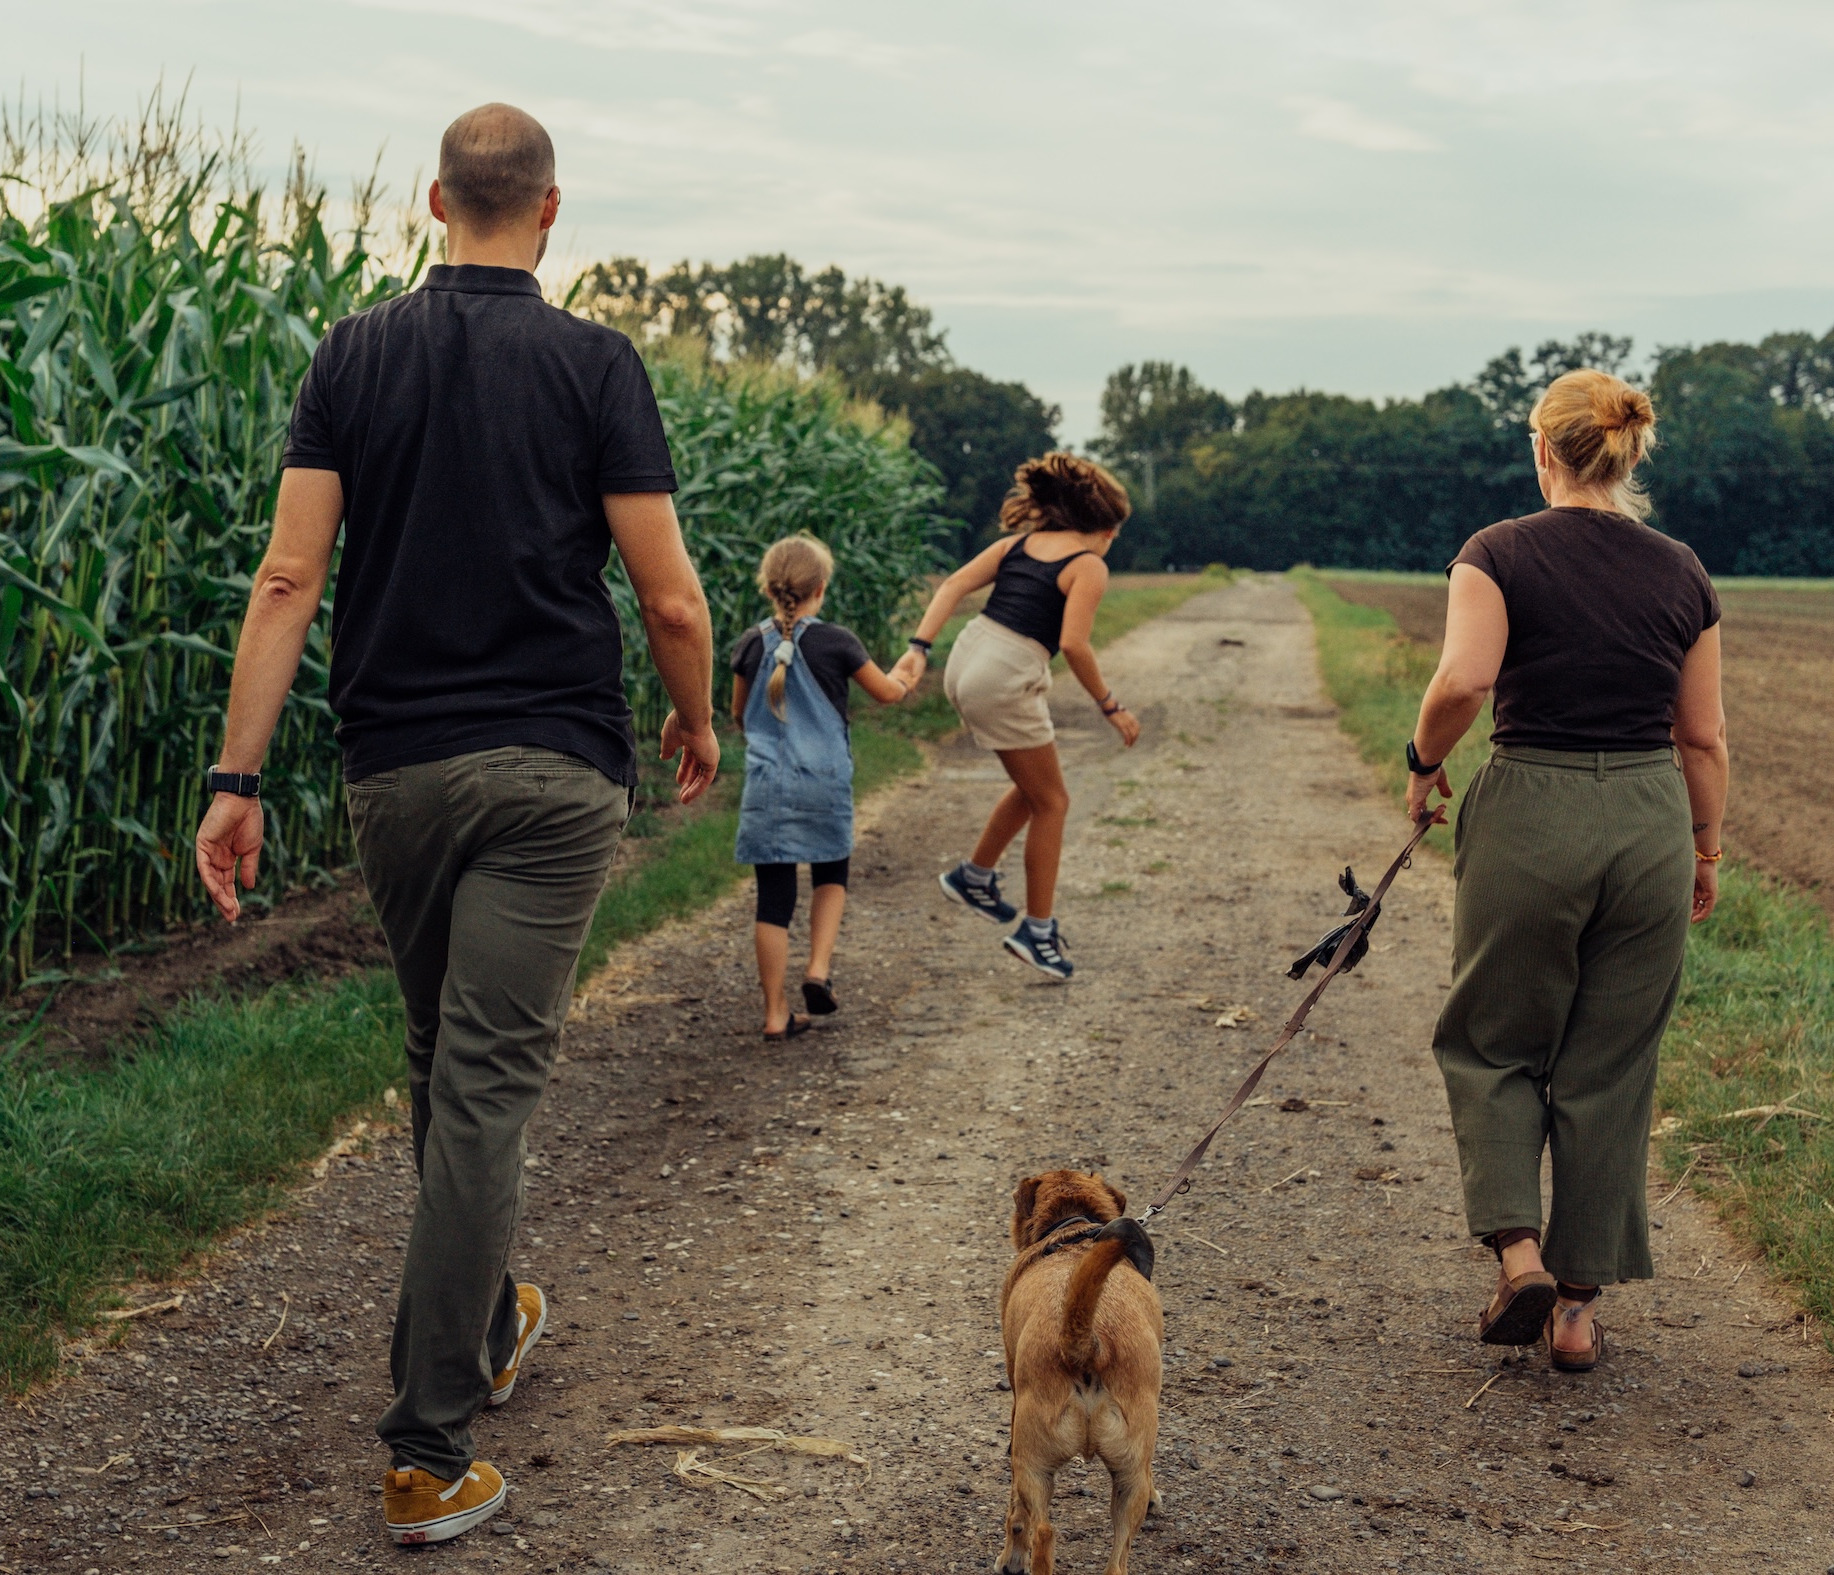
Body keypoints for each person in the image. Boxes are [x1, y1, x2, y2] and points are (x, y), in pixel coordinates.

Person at [190, 103, 719, 1544]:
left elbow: (288, 579)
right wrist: (696, 715)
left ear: (436, 201)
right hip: (550, 771)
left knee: (443, 1061)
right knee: (479, 1084)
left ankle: (485, 1318)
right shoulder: (594, 363)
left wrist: (235, 782)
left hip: (396, 772)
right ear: (549, 213)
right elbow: (669, 592)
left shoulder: (353, 353)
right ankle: (426, 1443)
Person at [1405, 368, 1728, 1374]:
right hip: (1646, 816)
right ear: (1628, 456)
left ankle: (1517, 1255)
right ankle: (1578, 1314)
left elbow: (1464, 679)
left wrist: (1422, 767)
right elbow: (1703, 737)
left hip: (1531, 809)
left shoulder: (1495, 552)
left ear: (1542, 451)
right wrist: (1704, 846)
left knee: (1493, 1041)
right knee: (1611, 1065)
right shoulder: (1682, 570)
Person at [889, 453, 1140, 983]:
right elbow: (1073, 643)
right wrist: (1110, 706)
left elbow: (952, 586)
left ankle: (975, 876)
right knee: (1054, 802)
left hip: (967, 658)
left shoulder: (1018, 545)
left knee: (1035, 790)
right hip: (1005, 674)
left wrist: (919, 648)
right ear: (1098, 525)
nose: (1113, 541)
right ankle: (1039, 932)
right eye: (1115, 531)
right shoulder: (1089, 566)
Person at [728, 536, 912, 1040]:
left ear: (769, 588)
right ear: (820, 589)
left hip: (767, 785)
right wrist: (908, 671)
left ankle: (774, 1013)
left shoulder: (749, 644)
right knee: (832, 871)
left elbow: (738, 715)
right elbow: (888, 693)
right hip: (824, 782)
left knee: (774, 898)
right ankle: (818, 970)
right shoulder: (838, 642)